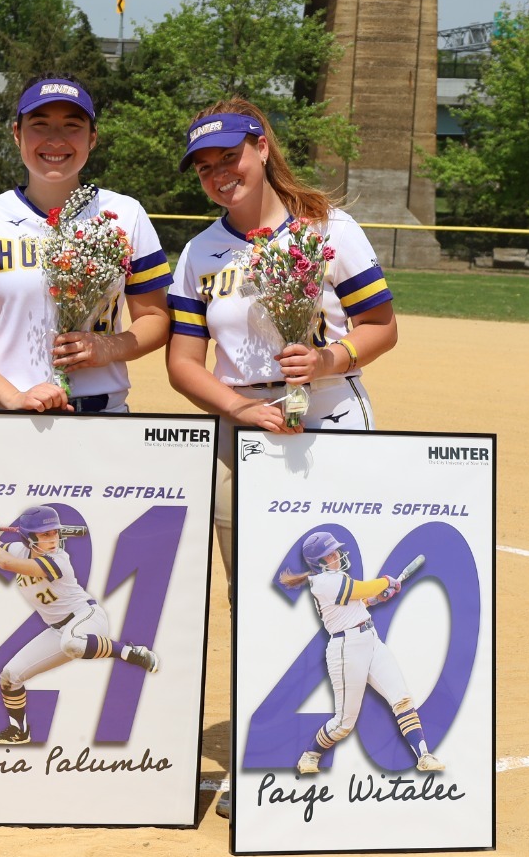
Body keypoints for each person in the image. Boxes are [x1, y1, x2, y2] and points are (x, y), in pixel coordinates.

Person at [164, 98, 399, 580]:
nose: (219, 174)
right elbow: (182, 364)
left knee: (341, 573)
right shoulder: (199, 252)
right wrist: (239, 409)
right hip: (241, 426)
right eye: (205, 167)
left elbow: (381, 326)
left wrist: (326, 360)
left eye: (230, 156)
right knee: (250, 590)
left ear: (263, 148)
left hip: (329, 412)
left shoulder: (327, 228)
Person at [0, 76, 171, 412]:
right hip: (8, 414)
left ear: (93, 138)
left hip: (102, 418)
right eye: (40, 125)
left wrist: (108, 347)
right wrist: (13, 397)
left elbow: (156, 319)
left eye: (72, 126)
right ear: (17, 133)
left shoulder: (125, 214)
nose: (55, 140)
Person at [0, 505, 160, 745]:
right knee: (10, 675)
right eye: (45, 534)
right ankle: (19, 730)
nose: (53, 539)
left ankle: (130, 652)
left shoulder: (57, 561)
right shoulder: (18, 550)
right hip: (60, 629)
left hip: (87, 618)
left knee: (72, 642)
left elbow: (4, 563)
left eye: (54, 533)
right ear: (30, 537)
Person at [280, 531, 443, 775]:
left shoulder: (334, 579)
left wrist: (377, 599)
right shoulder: (324, 582)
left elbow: (358, 602)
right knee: (344, 723)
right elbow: (362, 588)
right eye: (331, 553)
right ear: (320, 561)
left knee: (401, 698)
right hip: (346, 650)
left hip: (370, 640)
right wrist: (386, 582)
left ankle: (423, 755)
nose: (337, 554)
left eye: (335, 551)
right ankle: (310, 756)